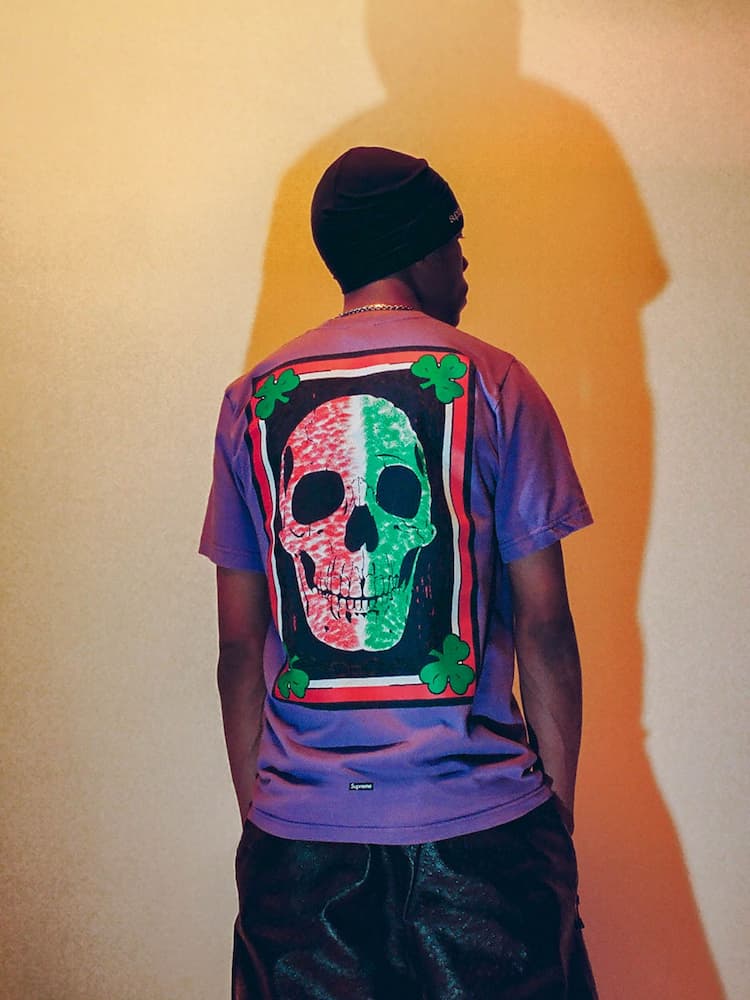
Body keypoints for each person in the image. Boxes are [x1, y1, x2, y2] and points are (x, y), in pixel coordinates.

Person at [200, 146, 597, 999]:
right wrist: (553, 824)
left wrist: (267, 819)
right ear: (422, 249)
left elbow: (238, 648)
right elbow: (545, 626)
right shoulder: (497, 382)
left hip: (299, 853)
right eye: (458, 242)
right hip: (487, 844)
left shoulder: (250, 400)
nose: (466, 265)